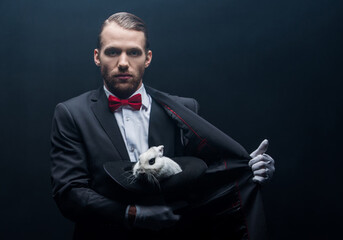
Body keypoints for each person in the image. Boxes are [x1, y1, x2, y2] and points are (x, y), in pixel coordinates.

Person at [49, 12, 275, 239]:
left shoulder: (184, 110)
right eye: (113, 52)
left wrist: (249, 168)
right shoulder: (71, 113)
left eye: (134, 52)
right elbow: (69, 193)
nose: (124, 63)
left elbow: (202, 178)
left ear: (147, 58)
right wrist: (131, 213)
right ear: (97, 57)